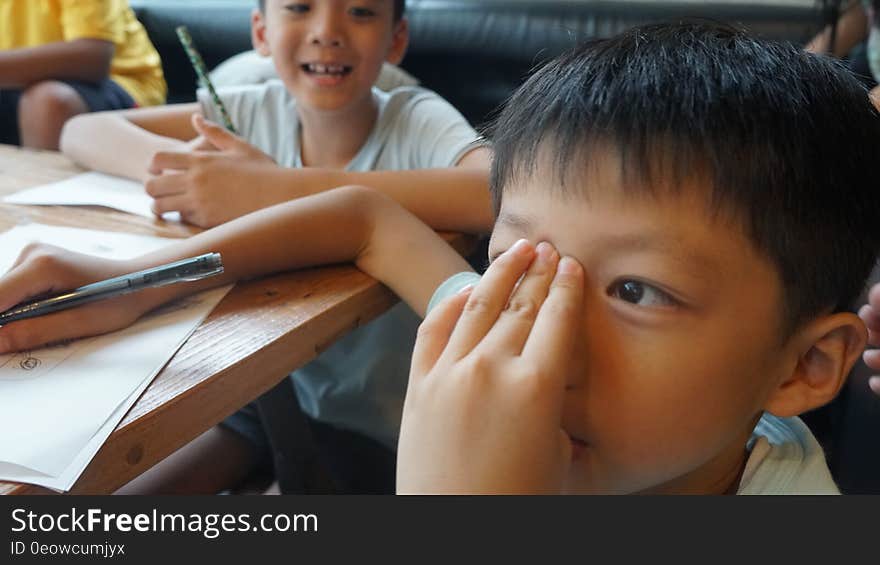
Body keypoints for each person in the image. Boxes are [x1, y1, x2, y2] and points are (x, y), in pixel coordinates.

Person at [3, 21, 877, 494]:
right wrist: (133, 282)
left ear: (805, 365)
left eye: (637, 289)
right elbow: (368, 216)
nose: (536, 343)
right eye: (516, 255)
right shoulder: (518, 310)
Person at [59, 0, 491, 494]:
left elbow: (493, 191)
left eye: (362, 12)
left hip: (383, 427)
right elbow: (82, 130)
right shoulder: (252, 109)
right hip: (265, 394)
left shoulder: (415, 119)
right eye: (301, 7)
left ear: (396, 40)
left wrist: (275, 187)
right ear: (261, 33)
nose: (327, 32)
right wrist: (195, 177)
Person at [0, 0, 166, 150]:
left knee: (50, 101)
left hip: (120, 82)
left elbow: (94, 58)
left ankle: (52, 182)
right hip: (19, 85)